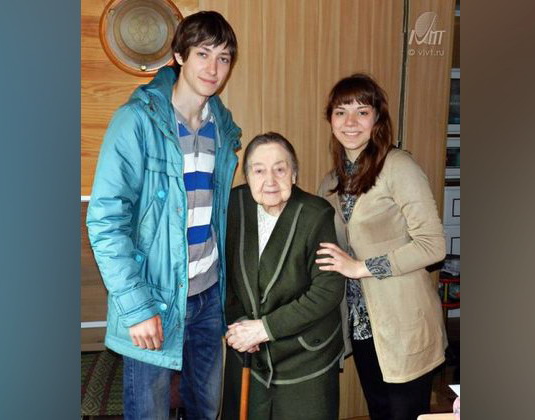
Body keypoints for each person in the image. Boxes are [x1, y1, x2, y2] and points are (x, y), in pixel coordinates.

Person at [86, 11, 241, 420]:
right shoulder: (137, 121)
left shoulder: (222, 128)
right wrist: (137, 307)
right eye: (203, 54)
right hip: (153, 296)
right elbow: (105, 222)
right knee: (148, 412)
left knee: (206, 409)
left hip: (208, 295)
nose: (213, 68)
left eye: (224, 58)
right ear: (180, 55)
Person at [315, 74, 447, 420]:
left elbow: (433, 246)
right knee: (379, 412)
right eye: (341, 112)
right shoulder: (331, 182)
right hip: (361, 323)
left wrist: (361, 267)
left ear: (377, 118)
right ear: (330, 120)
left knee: (406, 413)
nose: (351, 122)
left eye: (362, 111)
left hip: (404, 322)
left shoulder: (398, 166)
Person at [221, 132, 345, 420]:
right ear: (246, 176)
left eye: (280, 169)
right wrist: (241, 325)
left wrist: (265, 329)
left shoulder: (316, 214)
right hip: (249, 351)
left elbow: (327, 291)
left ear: (294, 174)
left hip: (305, 354)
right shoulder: (233, 206)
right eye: (259, 170)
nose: (270, 181)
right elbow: (222, 275)